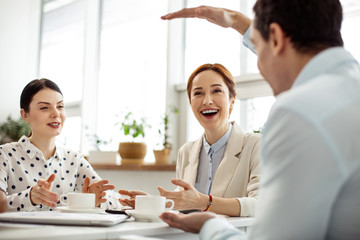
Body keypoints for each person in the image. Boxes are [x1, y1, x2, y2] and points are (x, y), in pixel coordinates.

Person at [159, 1, 360, 239]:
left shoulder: (300, 112)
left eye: (258, 47)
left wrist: (209, 226)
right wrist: (236, 21)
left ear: (275, 36)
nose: (260, 67)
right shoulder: (349, 87)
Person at [119, 63, 260, 217]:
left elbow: (260, 204)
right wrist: (153, 203)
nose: (207, 100)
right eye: (198, 93)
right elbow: (184, 204)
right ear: (191, 102)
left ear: (232, 99)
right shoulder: (186, 152)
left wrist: (204, 202)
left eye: (217, 91)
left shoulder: (255, 145)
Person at [0, 79, 122, 211]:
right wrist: (29, 197)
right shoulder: (5, 154)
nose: (56, 114)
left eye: (60, 106)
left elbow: (107, 194)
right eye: (44, 108)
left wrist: (99, 200)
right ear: (25, 114)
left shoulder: (73, 159)